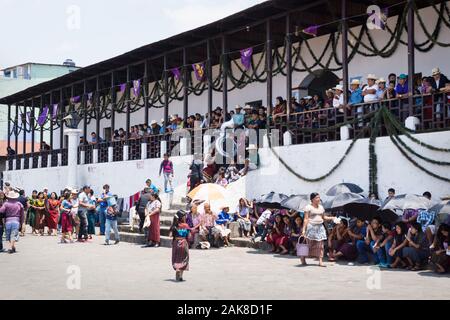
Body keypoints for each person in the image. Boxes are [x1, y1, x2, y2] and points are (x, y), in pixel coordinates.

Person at [301, 193, 335, 267]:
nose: (319, 199)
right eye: (317, 198)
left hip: (320, 227)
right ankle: (303, 257)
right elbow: (306, 219)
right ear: (312, 199)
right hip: (311, 227)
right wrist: (303, 229)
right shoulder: (308, 207)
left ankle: (320, 261)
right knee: (309, 244)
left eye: (319, 197)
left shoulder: (321, 207)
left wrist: (332, 218)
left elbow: (324, 217)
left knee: (320, 245)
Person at [170, 210, 191, 281]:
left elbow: (170, 235)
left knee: (176, 257)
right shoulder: (186, 225)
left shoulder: (174, 225)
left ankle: (177, 269)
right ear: (182, 217)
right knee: (184, 258)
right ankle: (181, 276)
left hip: (176, 242)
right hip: (183, 242)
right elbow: (189, 236)